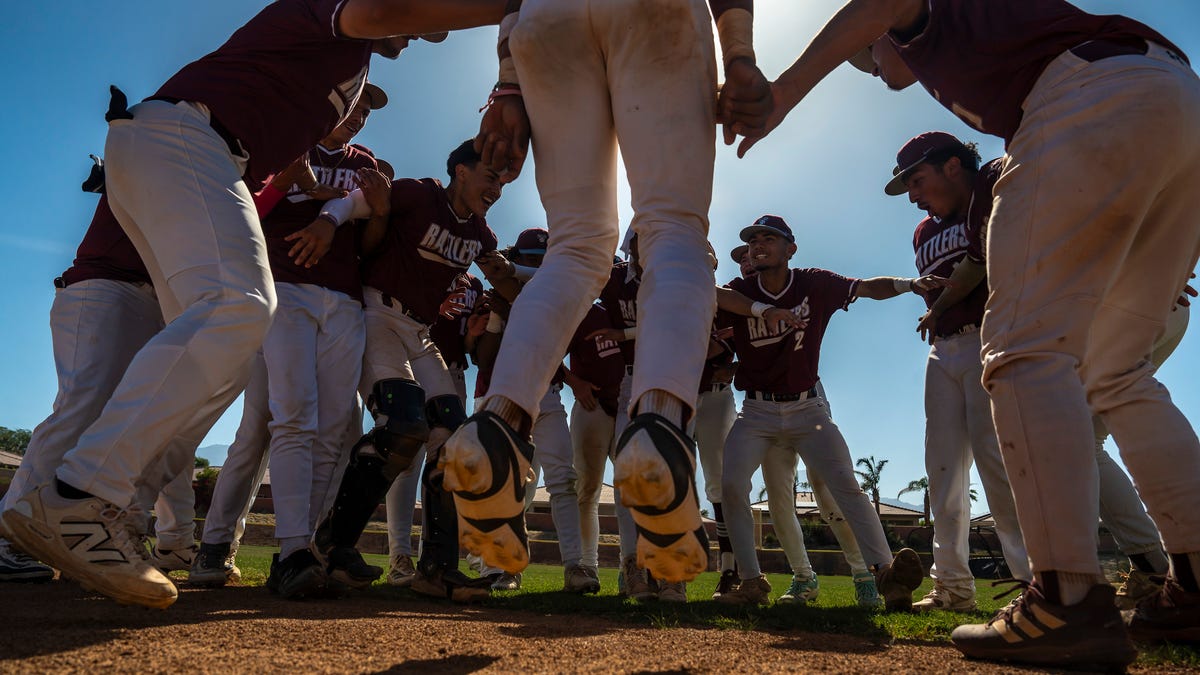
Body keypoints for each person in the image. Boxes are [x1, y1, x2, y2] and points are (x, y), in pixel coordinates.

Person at [1, 0, 510, 609]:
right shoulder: (334, 18)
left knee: (220, 353)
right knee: (240, 306)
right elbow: (386, 10)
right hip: (190, 136)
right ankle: (82, 497)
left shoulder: (349, 76)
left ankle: (94, 511)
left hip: (187, 147)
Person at [748, 0, 1200, 666]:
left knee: (1021, 351)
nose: (870, 66)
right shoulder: (986, 50)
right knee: (1116, 372)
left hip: (1091, 93)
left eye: (867, 53)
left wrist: (783, 91)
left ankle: (1065, 595)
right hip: (1172, 97)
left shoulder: (937, 32)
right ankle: (1193, 587)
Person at [440, 0, 774, 587]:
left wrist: (506, 83)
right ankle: (660, 427)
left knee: (573, 247)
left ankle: (498, 424)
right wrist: (740, 51)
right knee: (672, 228)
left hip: (545, 20)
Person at [191, 89, 386, 597]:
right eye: (354, 106)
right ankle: (225, 543)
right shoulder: (282, 146)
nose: (358, 117)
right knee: (275, 423)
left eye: (366, 112)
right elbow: (243, 212)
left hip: (342, 297)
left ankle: (300, 551)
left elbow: (370, 221)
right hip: (283, 291)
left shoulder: (367, 163)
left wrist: (343, 213)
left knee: (331, 427)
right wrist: (285, 186)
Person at [307, 140, 507, 603]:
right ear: (460, 170)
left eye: (503, 181)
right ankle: (334, 542)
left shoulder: (482, 234)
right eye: (491, 176)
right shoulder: (419, 194)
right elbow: (356, 204)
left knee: (456, 443)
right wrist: (326, 219)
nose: (498, 188)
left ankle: (438, 567)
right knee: (403, 426)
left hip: (420, 331)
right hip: (376, 315)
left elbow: (506, 276)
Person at [711, 215, 937, 610]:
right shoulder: (741, 292)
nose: (756, 247)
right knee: (734, 487)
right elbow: (712, 296)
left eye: (768, 238)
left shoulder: (812, 282)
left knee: (843, 489)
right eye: (751, 242)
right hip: (757, 411)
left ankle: (882, 574)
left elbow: (865, 287)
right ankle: (753, 581)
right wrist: (761, 312)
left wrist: (909, 284)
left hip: (807, 406)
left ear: (790, 249)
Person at [881, 132, 1031, 612]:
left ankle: (1038, 584)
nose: (913, 195)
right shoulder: (923, 231)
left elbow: (986, 262)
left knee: (997, 462)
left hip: (991, 338)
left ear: (951, 166)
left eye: (917, 180)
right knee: (941, 474)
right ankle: (952, 588)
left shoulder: (991, 191)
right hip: (942, 350)